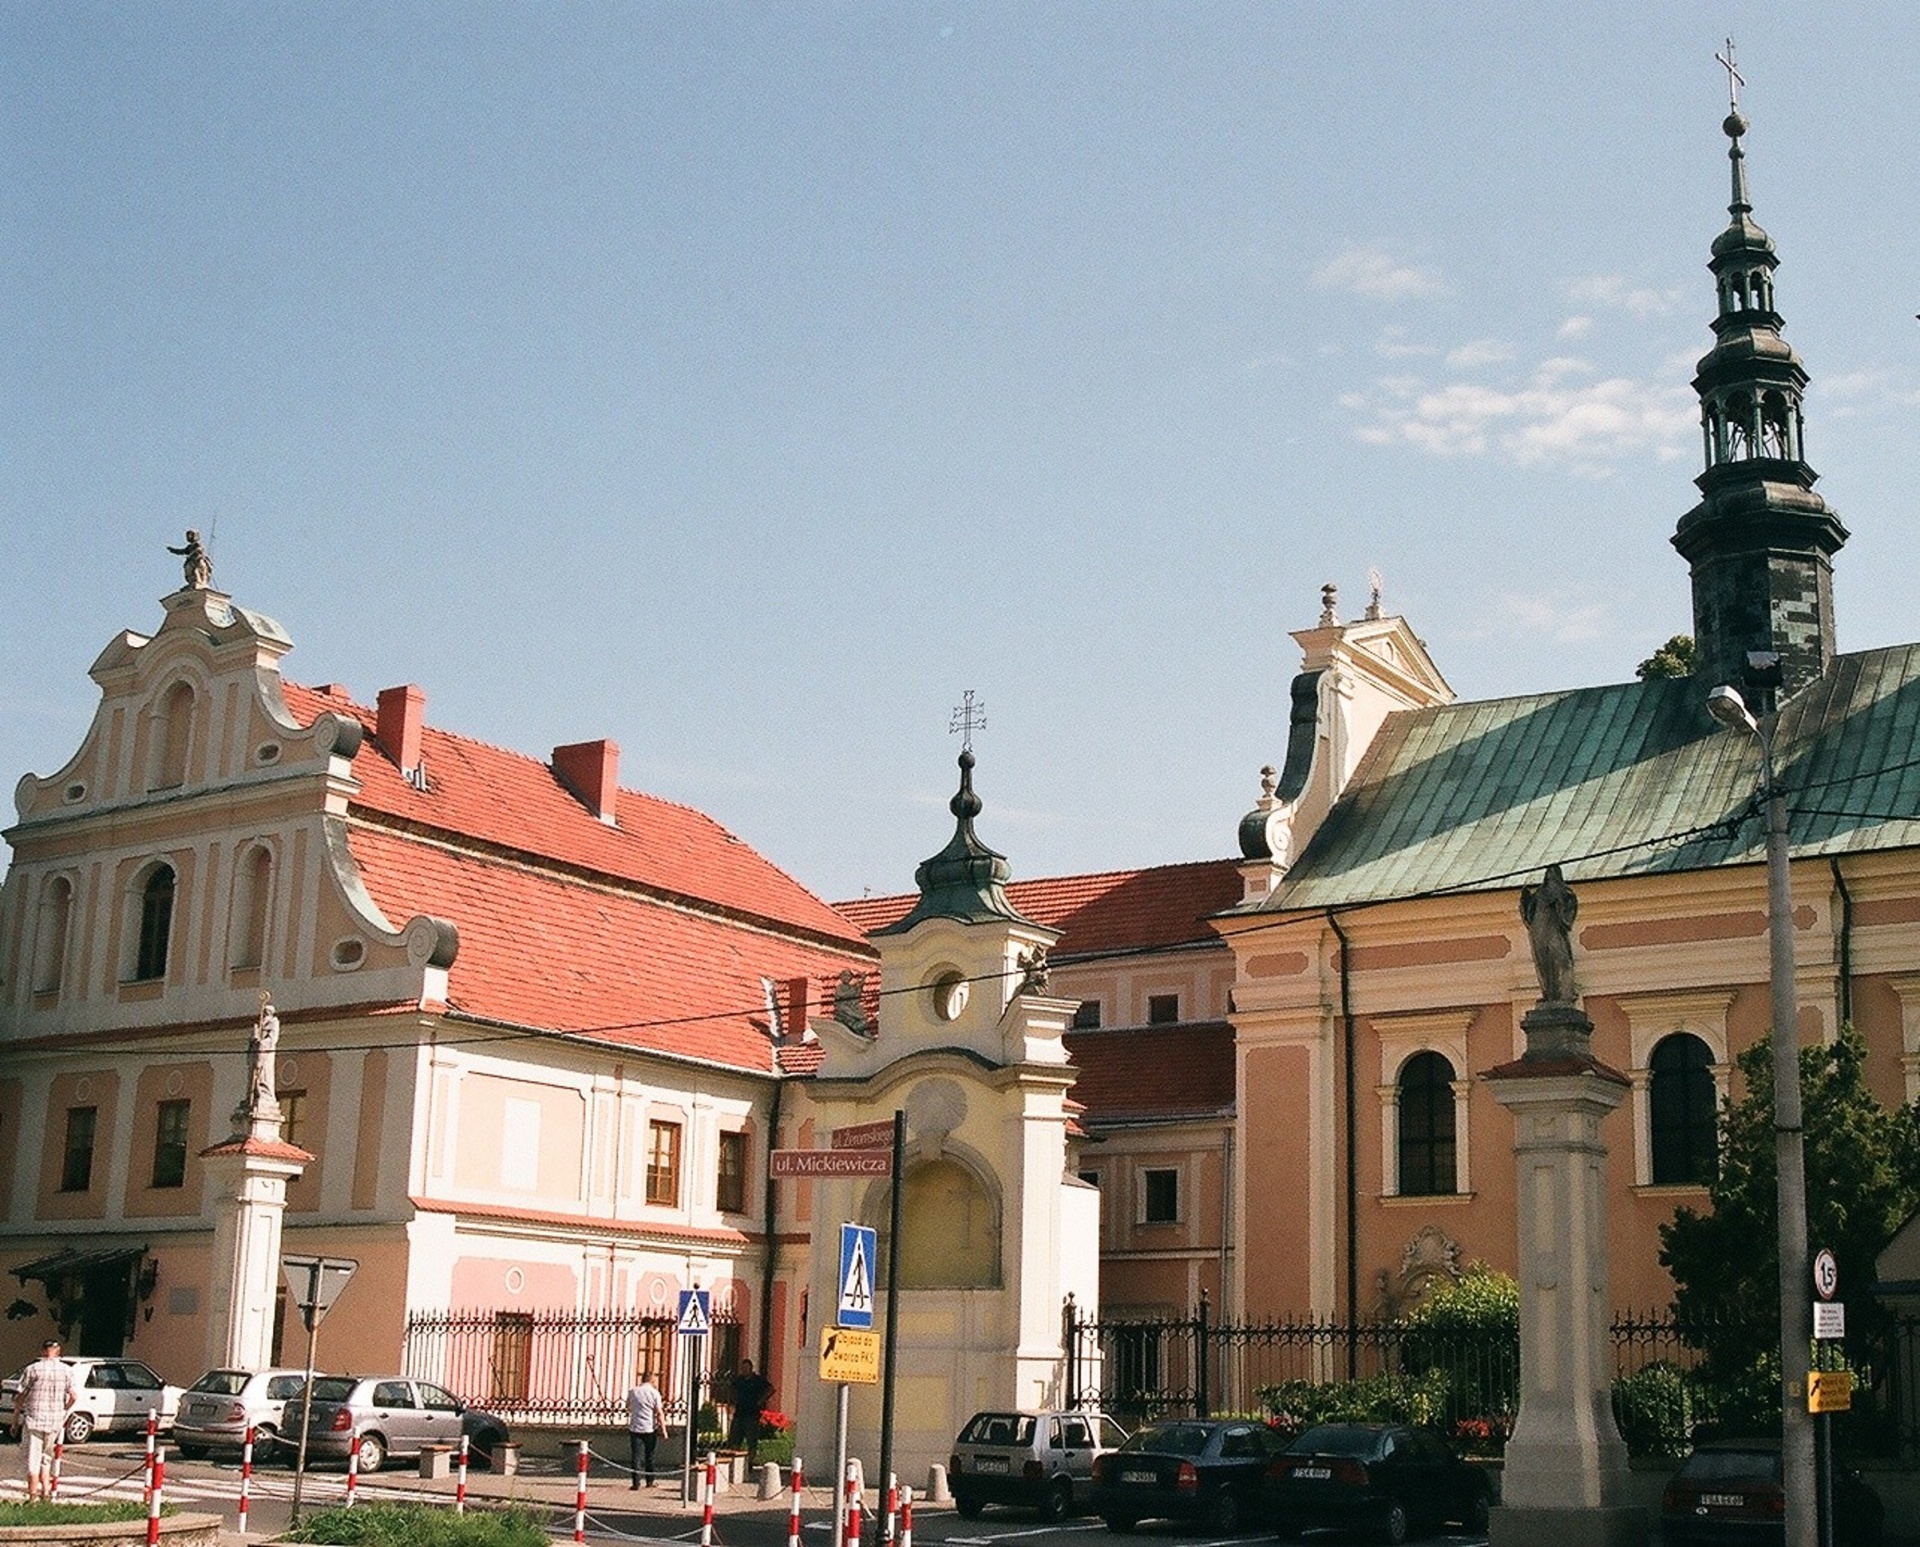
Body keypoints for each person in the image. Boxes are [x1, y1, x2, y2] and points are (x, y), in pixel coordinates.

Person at [12, 1338, 77, 1502]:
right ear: (58, 1351)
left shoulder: (33, 1369)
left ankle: (33, 1497)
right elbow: (74, 1396)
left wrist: (15, 1419)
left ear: (43, 1351)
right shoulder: (67, 1370)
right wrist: (64, 1410)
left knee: (33, 1458)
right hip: (55, 1420)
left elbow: (20, 1396)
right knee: (46, 1458)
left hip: (34, 1419)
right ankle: (46, 1493)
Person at [625, 1369, 667, 1488]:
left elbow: (628, 1407)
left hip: (635, 1427)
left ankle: (636, 1482)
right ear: (652, 1380)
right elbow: (659, 1412)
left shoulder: (633, 1391)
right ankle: (650, 1480)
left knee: (636, 1456)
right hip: (649, 1427)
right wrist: (663, 1429)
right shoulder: (654, 1393)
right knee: (650, 1455)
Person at [726, 1358, 773, 1461]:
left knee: (751, 1442)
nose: (744, 1370)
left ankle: (750, 1463)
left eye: (746, 1368)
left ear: (750, 1368)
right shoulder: (739, 1380)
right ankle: (734, 1462)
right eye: (742, 1368)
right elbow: (731, 1390)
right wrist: (733, 1401)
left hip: (752, 1415)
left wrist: (761, 1401)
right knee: (734, 1441)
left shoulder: (757, 1380)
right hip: (739, 1414)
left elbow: (770, 1389)